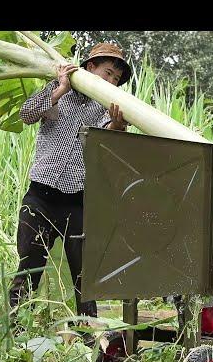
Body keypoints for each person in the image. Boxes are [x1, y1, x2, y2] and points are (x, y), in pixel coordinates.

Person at [8, 43, 132, 320]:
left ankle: (88, 340)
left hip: (77, 202)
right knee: (29, 268)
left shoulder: (107, 109)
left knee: (83, 277)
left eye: (115, 79)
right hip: (40, 197)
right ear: (90, 67)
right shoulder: (58, 90)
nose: (111, 81)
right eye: (108, 73)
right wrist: (61, 88)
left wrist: (117, 127)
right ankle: (14, 333)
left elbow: (108, 149)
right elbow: (27, 114)